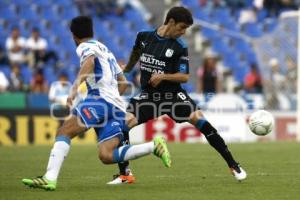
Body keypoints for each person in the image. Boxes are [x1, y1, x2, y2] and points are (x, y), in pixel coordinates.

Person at [21, 16, 171, 191]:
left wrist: (75, 88)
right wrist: (111, 101)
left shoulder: (85, 47)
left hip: (98, 100)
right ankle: (153, 146)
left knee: (64, 131)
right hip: (115, 106)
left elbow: (89, 62)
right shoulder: (105, 50)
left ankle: (49, 178)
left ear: (74, 36)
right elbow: (122, 82)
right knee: (106, 155)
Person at [108, 6, 247, 184]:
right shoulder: (144, 36)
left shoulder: (180, 47)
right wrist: (126, 71)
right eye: (182, 27)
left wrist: (163, 76)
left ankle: (233, 165)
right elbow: (136, 53)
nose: (183, 32)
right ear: (171, 22)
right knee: (123, 126)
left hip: (173, 97)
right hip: (149, 96)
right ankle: (125, 174)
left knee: (204, 124)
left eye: (186, 29)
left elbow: (184, 76)